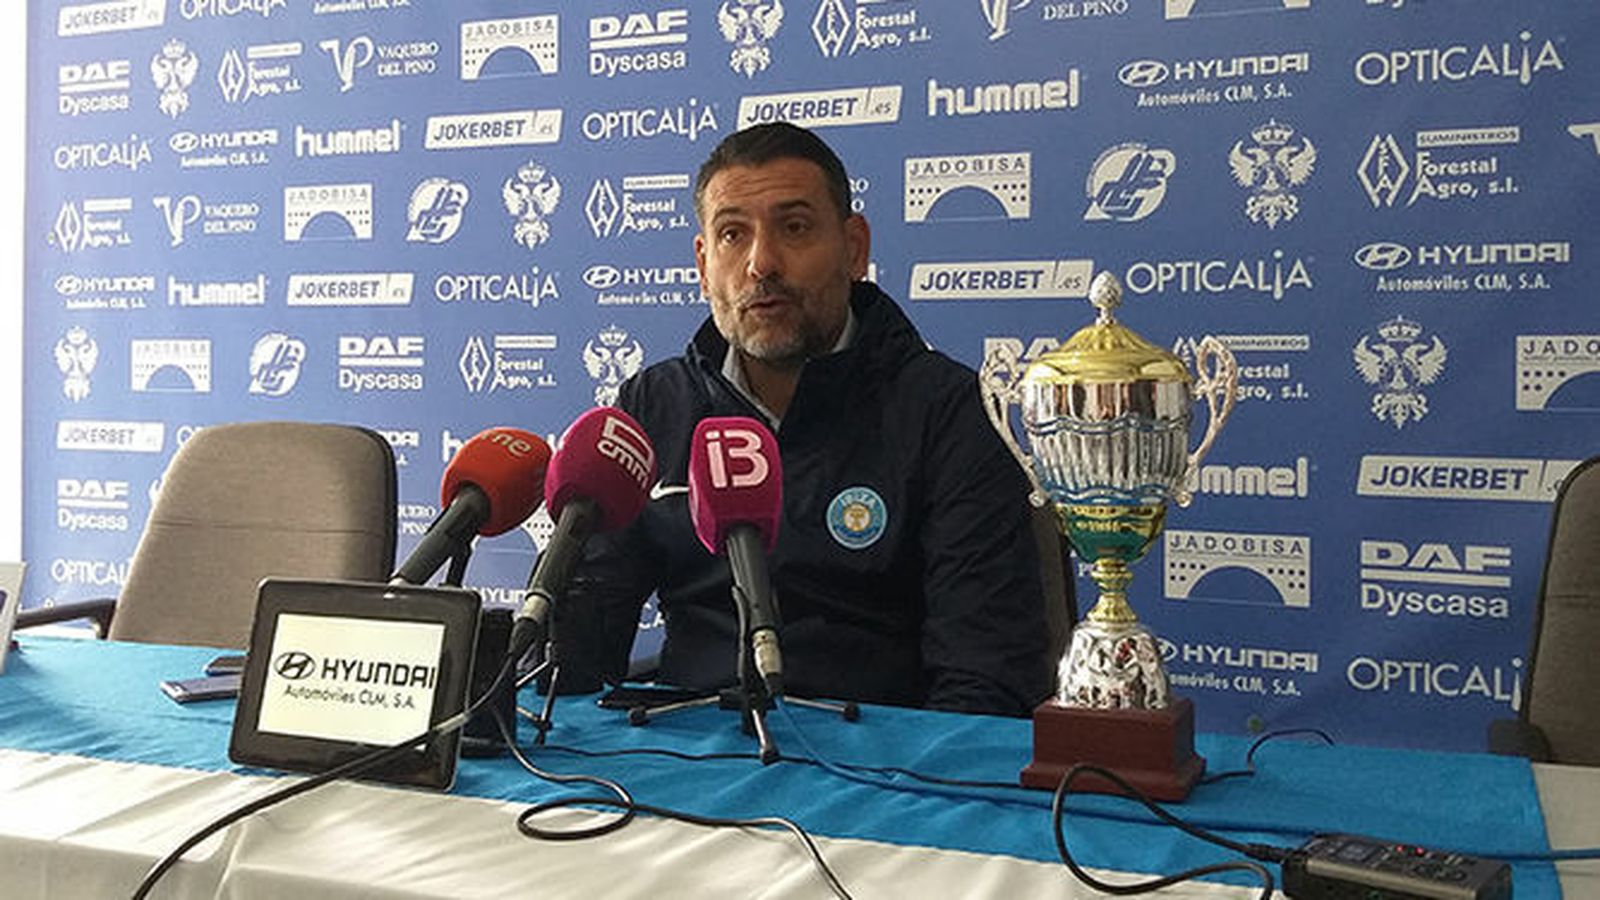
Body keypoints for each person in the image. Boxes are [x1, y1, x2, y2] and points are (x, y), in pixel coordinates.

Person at [558, 122, 1054, 716]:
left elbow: (985, 682)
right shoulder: (654, 404)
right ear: (703, 264)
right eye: (733, 235)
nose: (761, 263)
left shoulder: (947, 410)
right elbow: (575, 654)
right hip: (684, 745)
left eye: (793, 228)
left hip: (880, 754)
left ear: (854, 248)